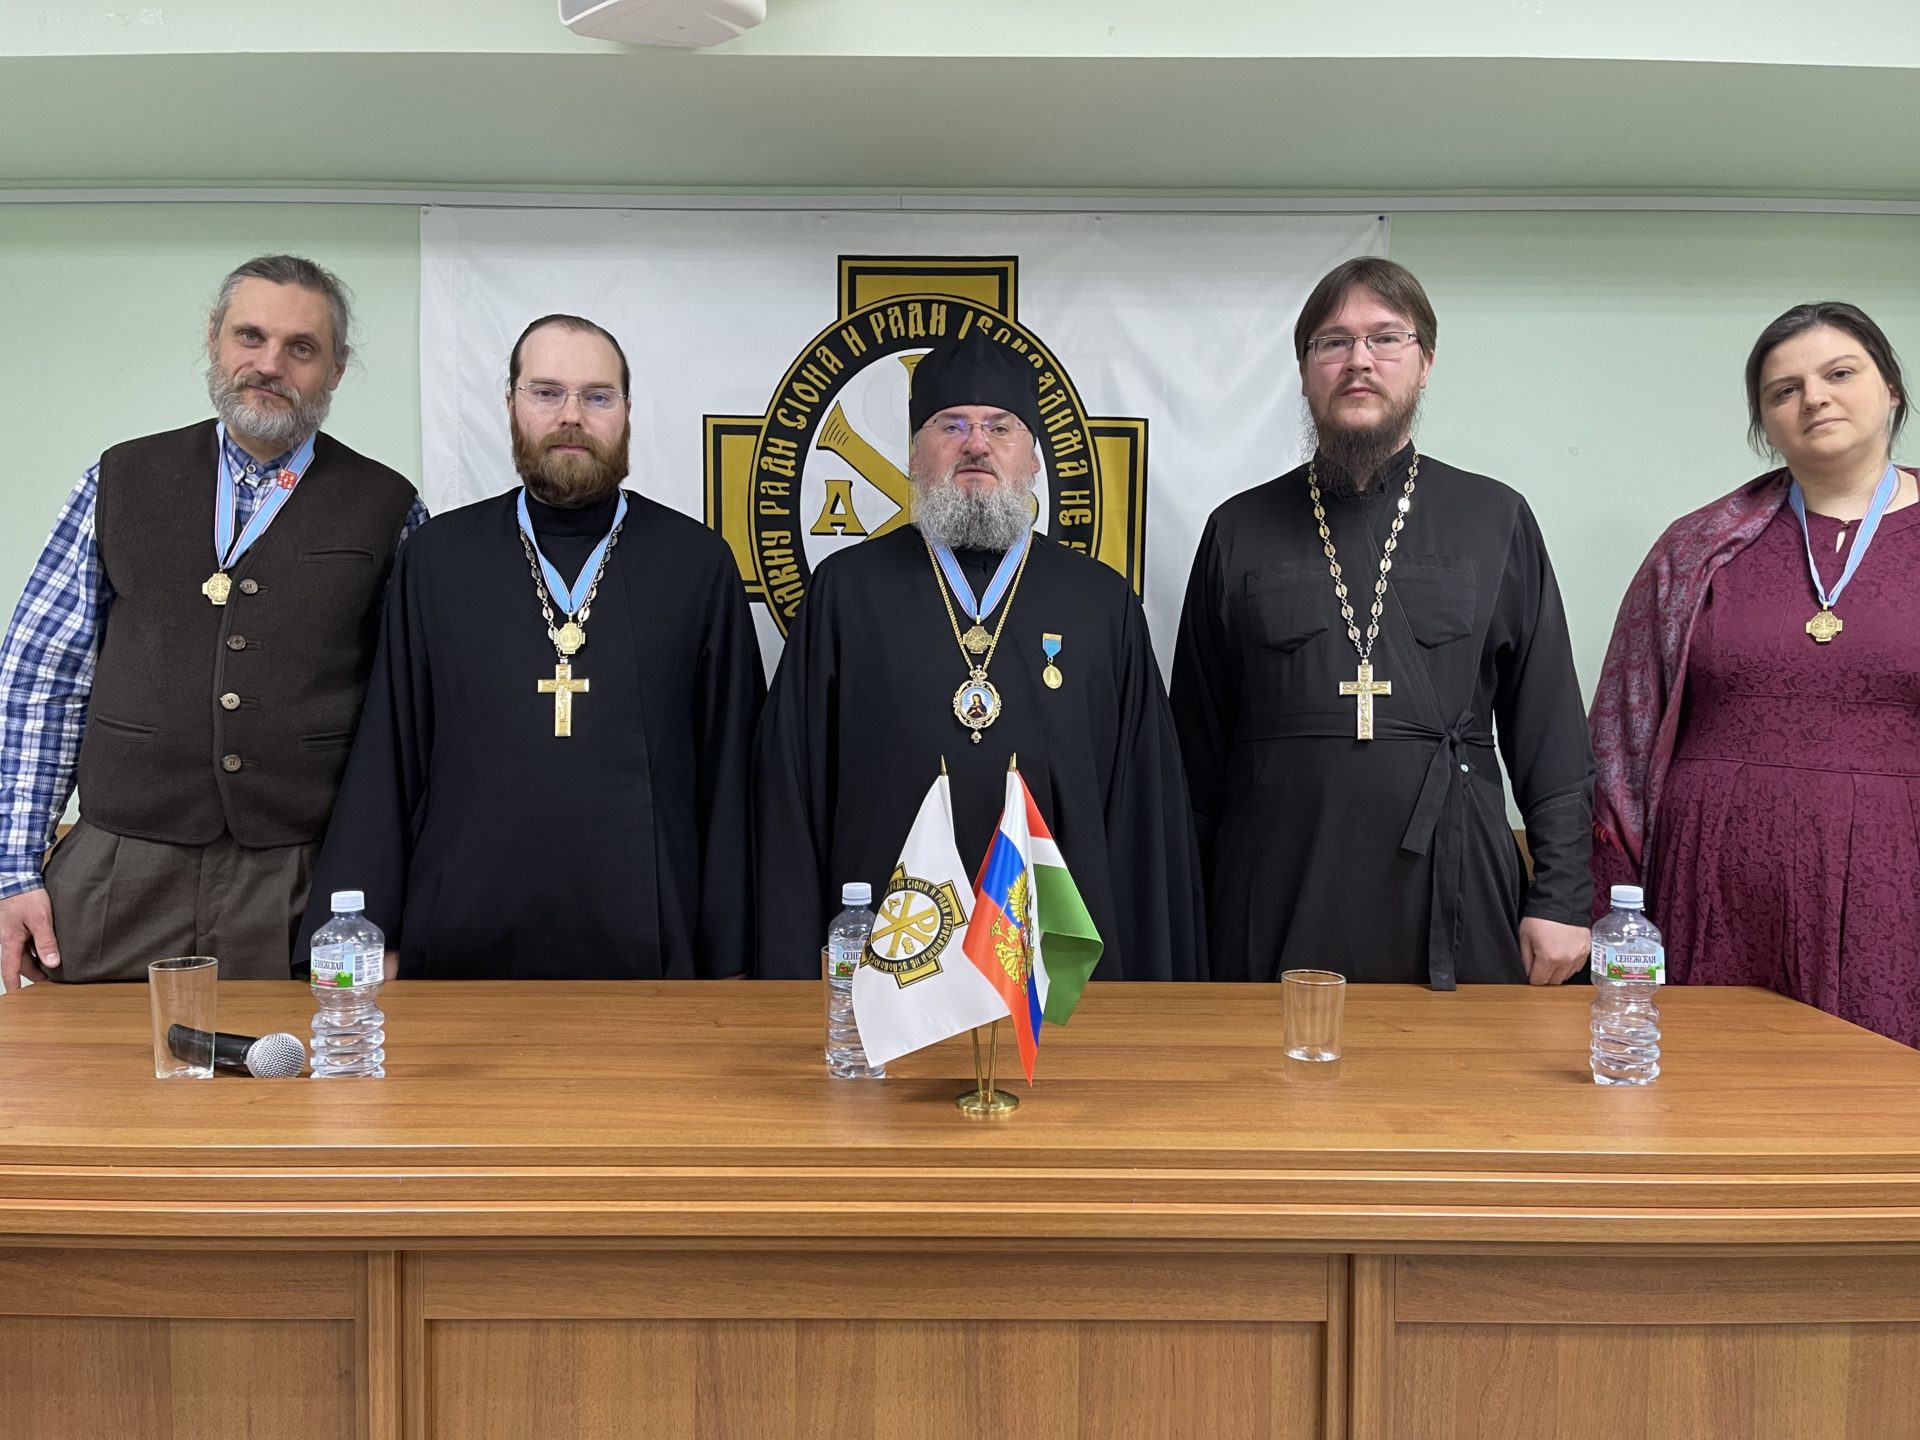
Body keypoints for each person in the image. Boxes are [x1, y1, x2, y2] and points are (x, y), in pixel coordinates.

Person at [0, 255, 425, 988]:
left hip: (300, 878)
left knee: (288, 1063)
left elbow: (413, 720)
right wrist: (13, 870)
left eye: (301, 347)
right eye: (250, 336)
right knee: (88, 1063)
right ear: (214, 338)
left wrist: (394, 896)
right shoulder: (117, 479)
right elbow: (43, 679)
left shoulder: (390, 507)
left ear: (336, 370)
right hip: (116, 872)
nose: (270, 364)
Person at [297, 314, 763, 979]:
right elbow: (390, 752)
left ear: (627, 412)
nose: (571, 415)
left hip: (651, 941)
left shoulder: (697, 563)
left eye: (597, 396)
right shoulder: (440, 559)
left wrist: (732, 954)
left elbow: (732, 772)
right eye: (546, 393)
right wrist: (373, 937)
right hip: (459, 933)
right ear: (511, 405)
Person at [1171, 257, 1593, 988]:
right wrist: (1183, 908)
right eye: (1333, 342)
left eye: (1385, 338)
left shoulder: (1495, 518)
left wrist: (1561, 896)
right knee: (1269, 1065)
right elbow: (1194, 755)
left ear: (1425, 364)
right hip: (1271, 887)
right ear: (1305, 371)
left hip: (1451, 886)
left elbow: (1550, 732)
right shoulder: (1237, 528)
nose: (1358, 360)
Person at [753, 331, 1206, 982]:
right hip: (889, 970)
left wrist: (1143, 991)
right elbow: (790, 798)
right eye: (952, 425)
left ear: (1033, 459)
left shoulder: (1101, 603)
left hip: (1056, 981)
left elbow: (1144, 815)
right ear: (915, 454)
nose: (976, 444)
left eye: (1000, 426)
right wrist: (791, 975)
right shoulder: (846, 593)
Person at [1590, 301, 1920, 1046]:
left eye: (1840, 374)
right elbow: (1621, 729)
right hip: (1714, 877)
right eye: (1784, 390)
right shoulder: (1695, 549)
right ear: (1765, 422)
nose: (1814, 399)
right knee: (1716, 1087)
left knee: (1883, 1092)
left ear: (1892, 390)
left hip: (1896, 881)